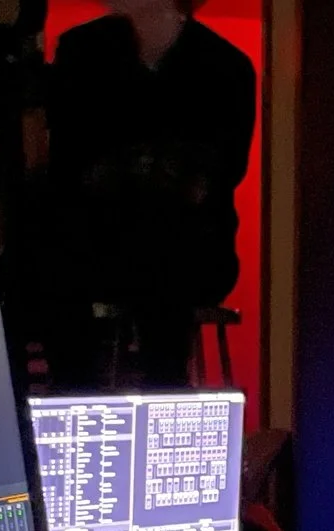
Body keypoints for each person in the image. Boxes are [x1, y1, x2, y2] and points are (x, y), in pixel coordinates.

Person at [34, 0, 255, 390]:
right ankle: (85, 394)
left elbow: (217, 178)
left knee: (163, 238)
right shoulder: (81, 52)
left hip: (184, 248)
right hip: (97, 244)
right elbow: (68, 169)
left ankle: (130, 390)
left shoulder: (225, 66)